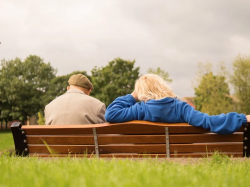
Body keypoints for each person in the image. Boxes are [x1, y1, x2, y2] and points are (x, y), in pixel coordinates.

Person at [105, 74, 250, 134]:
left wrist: (132, 96)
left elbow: (111, 114)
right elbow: (209, 122)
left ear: (141, 92)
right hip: (180, 157)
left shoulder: (139, 109)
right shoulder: (181, 108)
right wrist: (243, 119)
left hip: (147, 158)